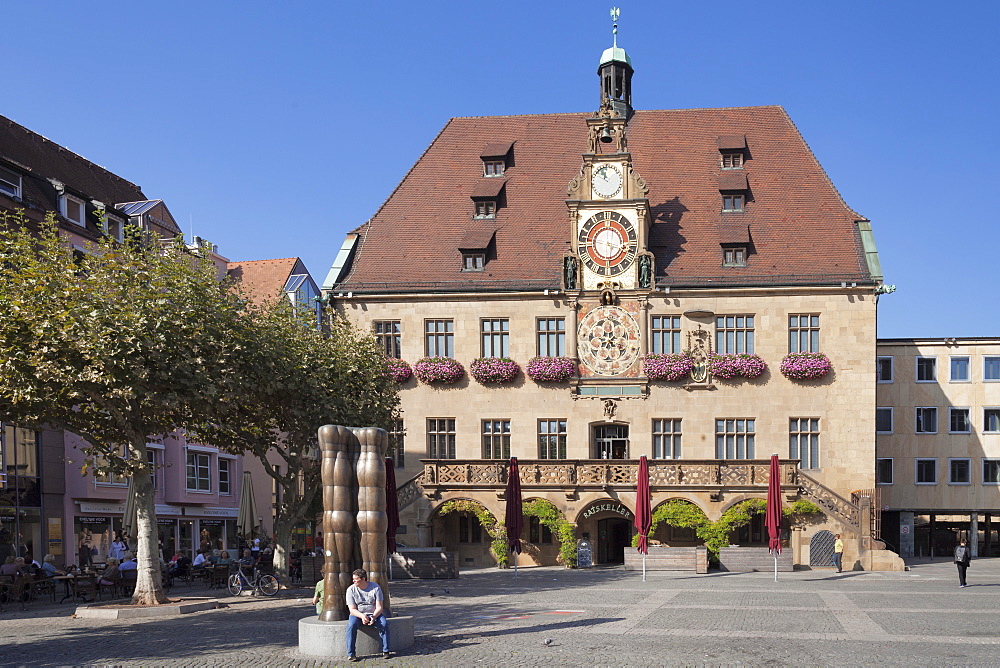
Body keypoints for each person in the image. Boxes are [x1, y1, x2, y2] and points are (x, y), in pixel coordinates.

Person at [344, 568, 390, 662]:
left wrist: (373, 617)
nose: (353, 581)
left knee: (384, 624)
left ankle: (386, 650)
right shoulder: (350, 590)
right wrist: (362, 616)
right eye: (353, 579)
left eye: (355, 579)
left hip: (374, 614)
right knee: (351, 626)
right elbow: (352, 610)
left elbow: (379, 607)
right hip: (357, 614)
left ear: (363, 579)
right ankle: (351, 653)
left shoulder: (375, 588)